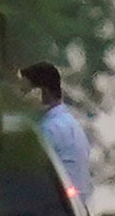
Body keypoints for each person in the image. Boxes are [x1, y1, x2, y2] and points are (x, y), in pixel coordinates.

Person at [21, 60, 95, 193]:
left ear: (42, 92)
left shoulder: (49, 129)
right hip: (75, 208)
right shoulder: (71, 124)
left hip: (52, 209)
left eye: (25, 91)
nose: (22, 99)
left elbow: (29, 177)